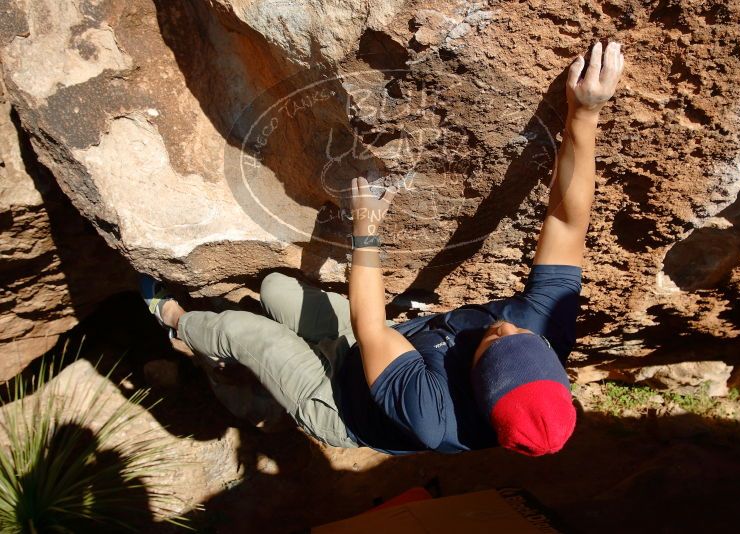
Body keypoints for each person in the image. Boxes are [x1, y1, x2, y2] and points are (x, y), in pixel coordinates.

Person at [141, 42, 624, 456]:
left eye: (494, 343)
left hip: (340, 405)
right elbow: (565, 221)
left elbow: (369, 325)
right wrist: (584, 112)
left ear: (477, 385)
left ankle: (173, 321)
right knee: (274, 290)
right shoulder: (543, 330)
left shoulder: (435, 418)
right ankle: (247, 371)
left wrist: (366, 225)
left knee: (243, 331)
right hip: (371, 350)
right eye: (524, 336)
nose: (506, 324)